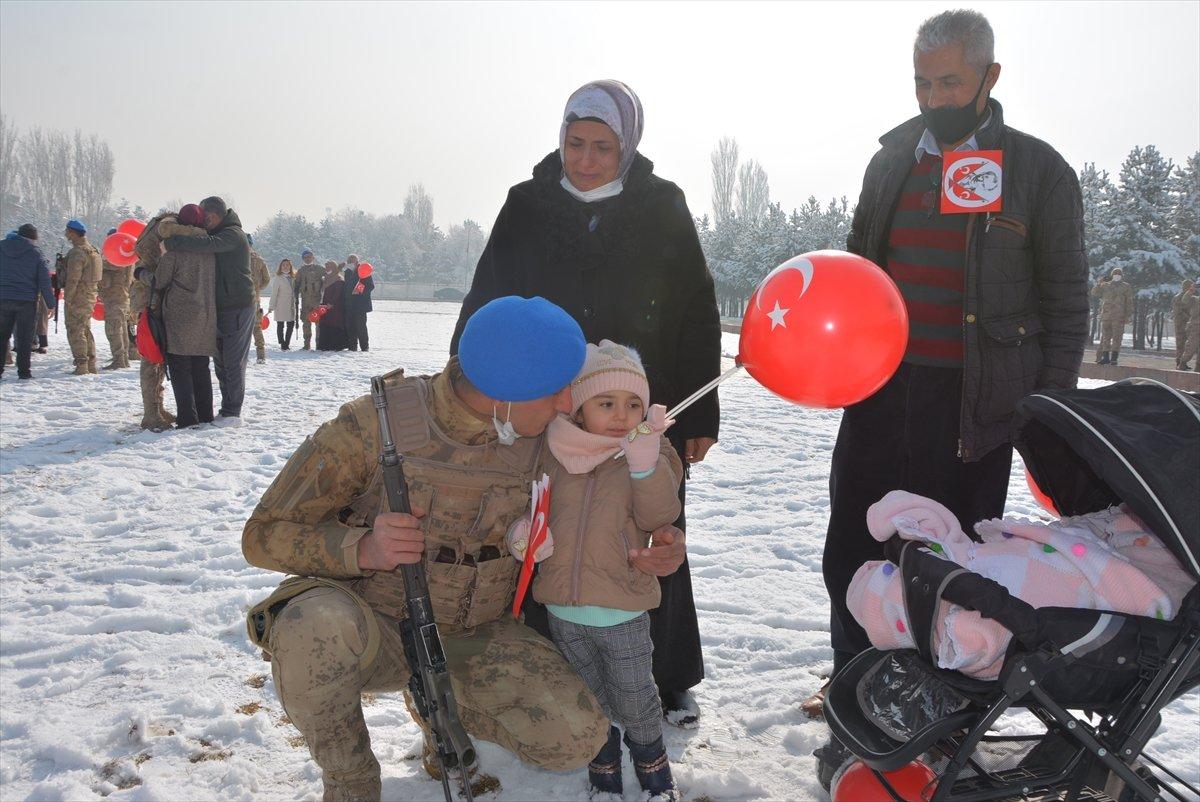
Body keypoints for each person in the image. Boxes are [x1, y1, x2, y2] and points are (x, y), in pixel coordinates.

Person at [242, 296, 689, 802]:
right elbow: (262, 533)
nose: (569, 404)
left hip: (473, 632)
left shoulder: (543, 432)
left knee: (576, 738)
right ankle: (351, 779)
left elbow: (627, 460)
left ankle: (438, 713)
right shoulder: (374, 425)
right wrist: (362, 548)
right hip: (375, 626)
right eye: (557, 391)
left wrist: (665, 541)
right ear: (505, 393)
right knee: (310, 626)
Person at [809, 9, 1089, 734]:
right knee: (855, 543)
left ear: (990, 77)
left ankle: (938, 704)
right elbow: (861, 269)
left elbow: (1066, 302)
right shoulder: (890, 161)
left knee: (948, 559)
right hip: (880, 390)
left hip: (975, 404)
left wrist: (1049, 411)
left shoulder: (1038, 171)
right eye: (922, 82)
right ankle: (852, 680)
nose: (934, 98)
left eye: (950, 82)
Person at [450, 79, 721, 725]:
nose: (587, 159)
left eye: (603, 146)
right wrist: (466, 383)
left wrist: (698, 416)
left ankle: (662, 671)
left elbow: (696, 309)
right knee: (552, 525)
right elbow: (487, 300)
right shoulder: (527, 205)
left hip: (636, 410)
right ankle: (550, 663)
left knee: (648, 525)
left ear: (627, 146)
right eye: (576, 143)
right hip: (551, 404)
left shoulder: (662, 205)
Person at [513, 340, 684, 800]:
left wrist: (644, 465)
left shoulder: (651, 450)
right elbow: (531, 504)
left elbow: (659, 515)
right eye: (606, 403)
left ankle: (653, 768)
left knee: (635, 697)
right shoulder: (553, 449)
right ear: (579, 407)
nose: (621, 415)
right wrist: (523, 533)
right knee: (588, 700)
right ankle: (602, 771)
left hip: (621, 608)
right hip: (563, 611)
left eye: (633, 404)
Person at [162, 196, 254, 423]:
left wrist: (173, 243)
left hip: (237, 307)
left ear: (213, 215)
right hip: (220, 308)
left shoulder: (232, 234)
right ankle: (227, 409)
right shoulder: (220, 232)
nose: (203, 224)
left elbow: (208, 245)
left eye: (206, 219)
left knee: (232, 363)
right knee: (221, 362)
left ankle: (232, 411)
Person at [150, 204, 218, 429]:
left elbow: (159, 281)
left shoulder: (175, 249)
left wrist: (142, 273)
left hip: (180, 316)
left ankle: (188, 418)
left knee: (180, 368)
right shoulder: (210, 249)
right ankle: (205, 414)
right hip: (205, 315)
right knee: (201, 366)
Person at [131, 213, 178, 430]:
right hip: (150, 303)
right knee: (151, 358)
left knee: (158, 359)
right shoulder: (167, 226)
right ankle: (151, 413)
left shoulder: (160, 228)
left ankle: (157, 407)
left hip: (151, 300)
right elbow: (157, 278)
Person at [0, 224, 54, 381]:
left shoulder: (1, 247)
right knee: (25, 338)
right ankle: (24, 372)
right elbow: (44, 281)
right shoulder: (35, 253)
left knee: (2, 336)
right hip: (26, 301)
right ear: (32, 238)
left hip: (3, 298)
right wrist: (51, 304)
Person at [63, 219, 103, 376]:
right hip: (90, 295)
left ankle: (81, 365)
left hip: (78, 297)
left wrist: (68, 298)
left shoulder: (77, 253)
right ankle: (90, 363)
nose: (66, 234)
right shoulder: (94, 251)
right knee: (85, 329)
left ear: (73, 233)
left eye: (67, 232)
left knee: (76, 330)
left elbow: (73, 278)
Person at [98, 227, 134, 370]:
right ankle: (123, 358)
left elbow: (102, 266)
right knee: (121, 329)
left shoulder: (117, 258)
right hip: (121, 298)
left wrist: (101, 258)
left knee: (113, 329)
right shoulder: (126, 255)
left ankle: (119, 359)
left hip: (115, 299)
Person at [1092, 267, 1134, 365]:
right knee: (1105, 338)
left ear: (1122, 276)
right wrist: (1099, 283)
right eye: (1115, 274)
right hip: (1106, 316)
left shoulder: (1126, 287)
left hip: (1119, 317)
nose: (1117, 276)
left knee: (1117, 338)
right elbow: (1095, 293)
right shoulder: (1106, 285)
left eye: (1119, 274)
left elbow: (1129, 302)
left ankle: (1114, 358)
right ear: (1112, 275)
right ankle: (1105, 357)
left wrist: (1128, 315)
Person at [342, 254, 374, 352]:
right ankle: (352, 347)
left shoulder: (363, 270)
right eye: (349, 260)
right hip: (349, 304)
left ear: (357, 261)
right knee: (350, 327)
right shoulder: (347, 272)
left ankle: (364, 347)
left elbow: (370, 286)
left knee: (361, 327)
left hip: (360, 305)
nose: (351, 262)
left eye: (353, 260)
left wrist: (359, 290)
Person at [316, 260, 348, 351]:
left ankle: (334, 345)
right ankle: (324, 345)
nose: (327, 269)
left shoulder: (338, 279)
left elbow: (337, 293)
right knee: (325, 324)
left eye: (329, 267)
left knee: (334, 325)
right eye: (326, 267)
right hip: (324, 306)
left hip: (334, 307)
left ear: (334, 268)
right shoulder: (325, 278)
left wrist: (331, 303)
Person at [296, 248, 324, 350]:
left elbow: (327, 279)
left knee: (318, 323)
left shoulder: (320, 269)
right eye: (305, 257)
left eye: (309, 257)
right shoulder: (300, 271)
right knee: (306, 322)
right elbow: (297, 285)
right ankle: (306, 344)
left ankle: (319, 344)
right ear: (303, 259)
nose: (307, 259)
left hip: (317, 300)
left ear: (313, 257)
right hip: (305, 301)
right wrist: (295, 296)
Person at [248, 236, 270, 364]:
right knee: (256, 327)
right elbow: (266, 279)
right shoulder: (259, 260)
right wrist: (257, 288)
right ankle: (261, 356)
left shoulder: (235, 257)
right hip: (254, 298)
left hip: (238, 299)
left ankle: (241, 356)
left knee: (241, 328)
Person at [268, 258, 298, 351]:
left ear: (290, 266)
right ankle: (282, 342)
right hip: (280, 304)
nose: (285, 267)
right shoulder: (278, 278)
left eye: (287, 265)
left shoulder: (293, 277)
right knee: (280, 324)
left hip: (291, 305)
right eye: (283, 265)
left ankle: (286, 343)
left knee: (291, 324)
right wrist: (271, 306)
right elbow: (274, 293)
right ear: (281, 267)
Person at [1177, 279, 1200, 372]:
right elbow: (1185, 300)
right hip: (1195, 327)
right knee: (1191, 347)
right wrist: (1191, 290)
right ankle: (1182, 363)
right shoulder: (1195, 300)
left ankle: (1198, 368)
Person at [1172, 279, 1194, 368]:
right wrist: (1188, 318)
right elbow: (1178, 312)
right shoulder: (1178, 297)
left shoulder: (1190, 297)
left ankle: (1183, 362)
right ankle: (1179, 362)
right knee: (1180, 344)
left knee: (1186, 344)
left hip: (1187, 324)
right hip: (1181, 324)